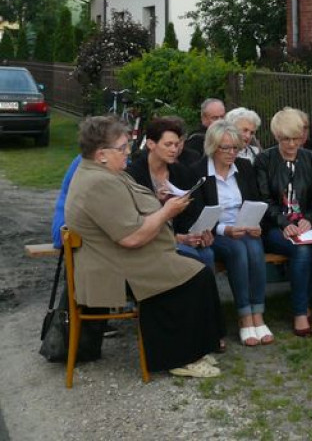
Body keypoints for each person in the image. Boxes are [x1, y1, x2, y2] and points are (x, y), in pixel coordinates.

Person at [63, 116, 224, 378]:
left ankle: (193, 350)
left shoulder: (102, 172)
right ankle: (180, 358)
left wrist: (156, 201)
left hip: (125, 258)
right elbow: (132, 238)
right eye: (122, 147)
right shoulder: (99, 182)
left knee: (196, 271)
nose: (128, 151)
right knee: (196, 277)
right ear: (102, 154)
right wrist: (167, 211)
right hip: (118, 268)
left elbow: (127, 211)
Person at [190, 119, 272, 346]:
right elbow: (197, 214)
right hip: (216, 231)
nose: (231, 153)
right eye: (225, 148)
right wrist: (225, 229)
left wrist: (256, 223)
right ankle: (245, 316)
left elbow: (255, 199)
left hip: (245, 227)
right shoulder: (198, 172)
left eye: (236, 148)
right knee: (237, 250)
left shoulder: (244, 167)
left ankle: (258, 313)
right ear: (212, 147)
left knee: (255, 248)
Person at [255, 108, 312, 337]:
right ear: (276, 136)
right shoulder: (265, 160)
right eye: (286, 139)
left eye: (296, 138)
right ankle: (299, 311)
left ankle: (302, 299)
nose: (291, 144)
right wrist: (283, 222)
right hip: (276, 225)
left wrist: (309, 219)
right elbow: (264, 200)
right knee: (302, 251)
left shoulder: (311, 158)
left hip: (305, 223)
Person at [127, 116, 215, 270]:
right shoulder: (134, 174)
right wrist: (177, 237)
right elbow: (134, 217)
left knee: (207, 253)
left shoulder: (181, 172)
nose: (174, 150)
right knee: (193, 258)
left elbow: (193, 211)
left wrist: (196, 234)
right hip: (150, 240)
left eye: (176, 144)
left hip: (180, 236)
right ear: (151, 144)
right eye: (168, 144)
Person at [181, 98, 226, 165]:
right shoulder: (195, 140)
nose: (220, 121)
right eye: (215, 118)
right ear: (203, 118)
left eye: (222, 117)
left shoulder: (228, 137)